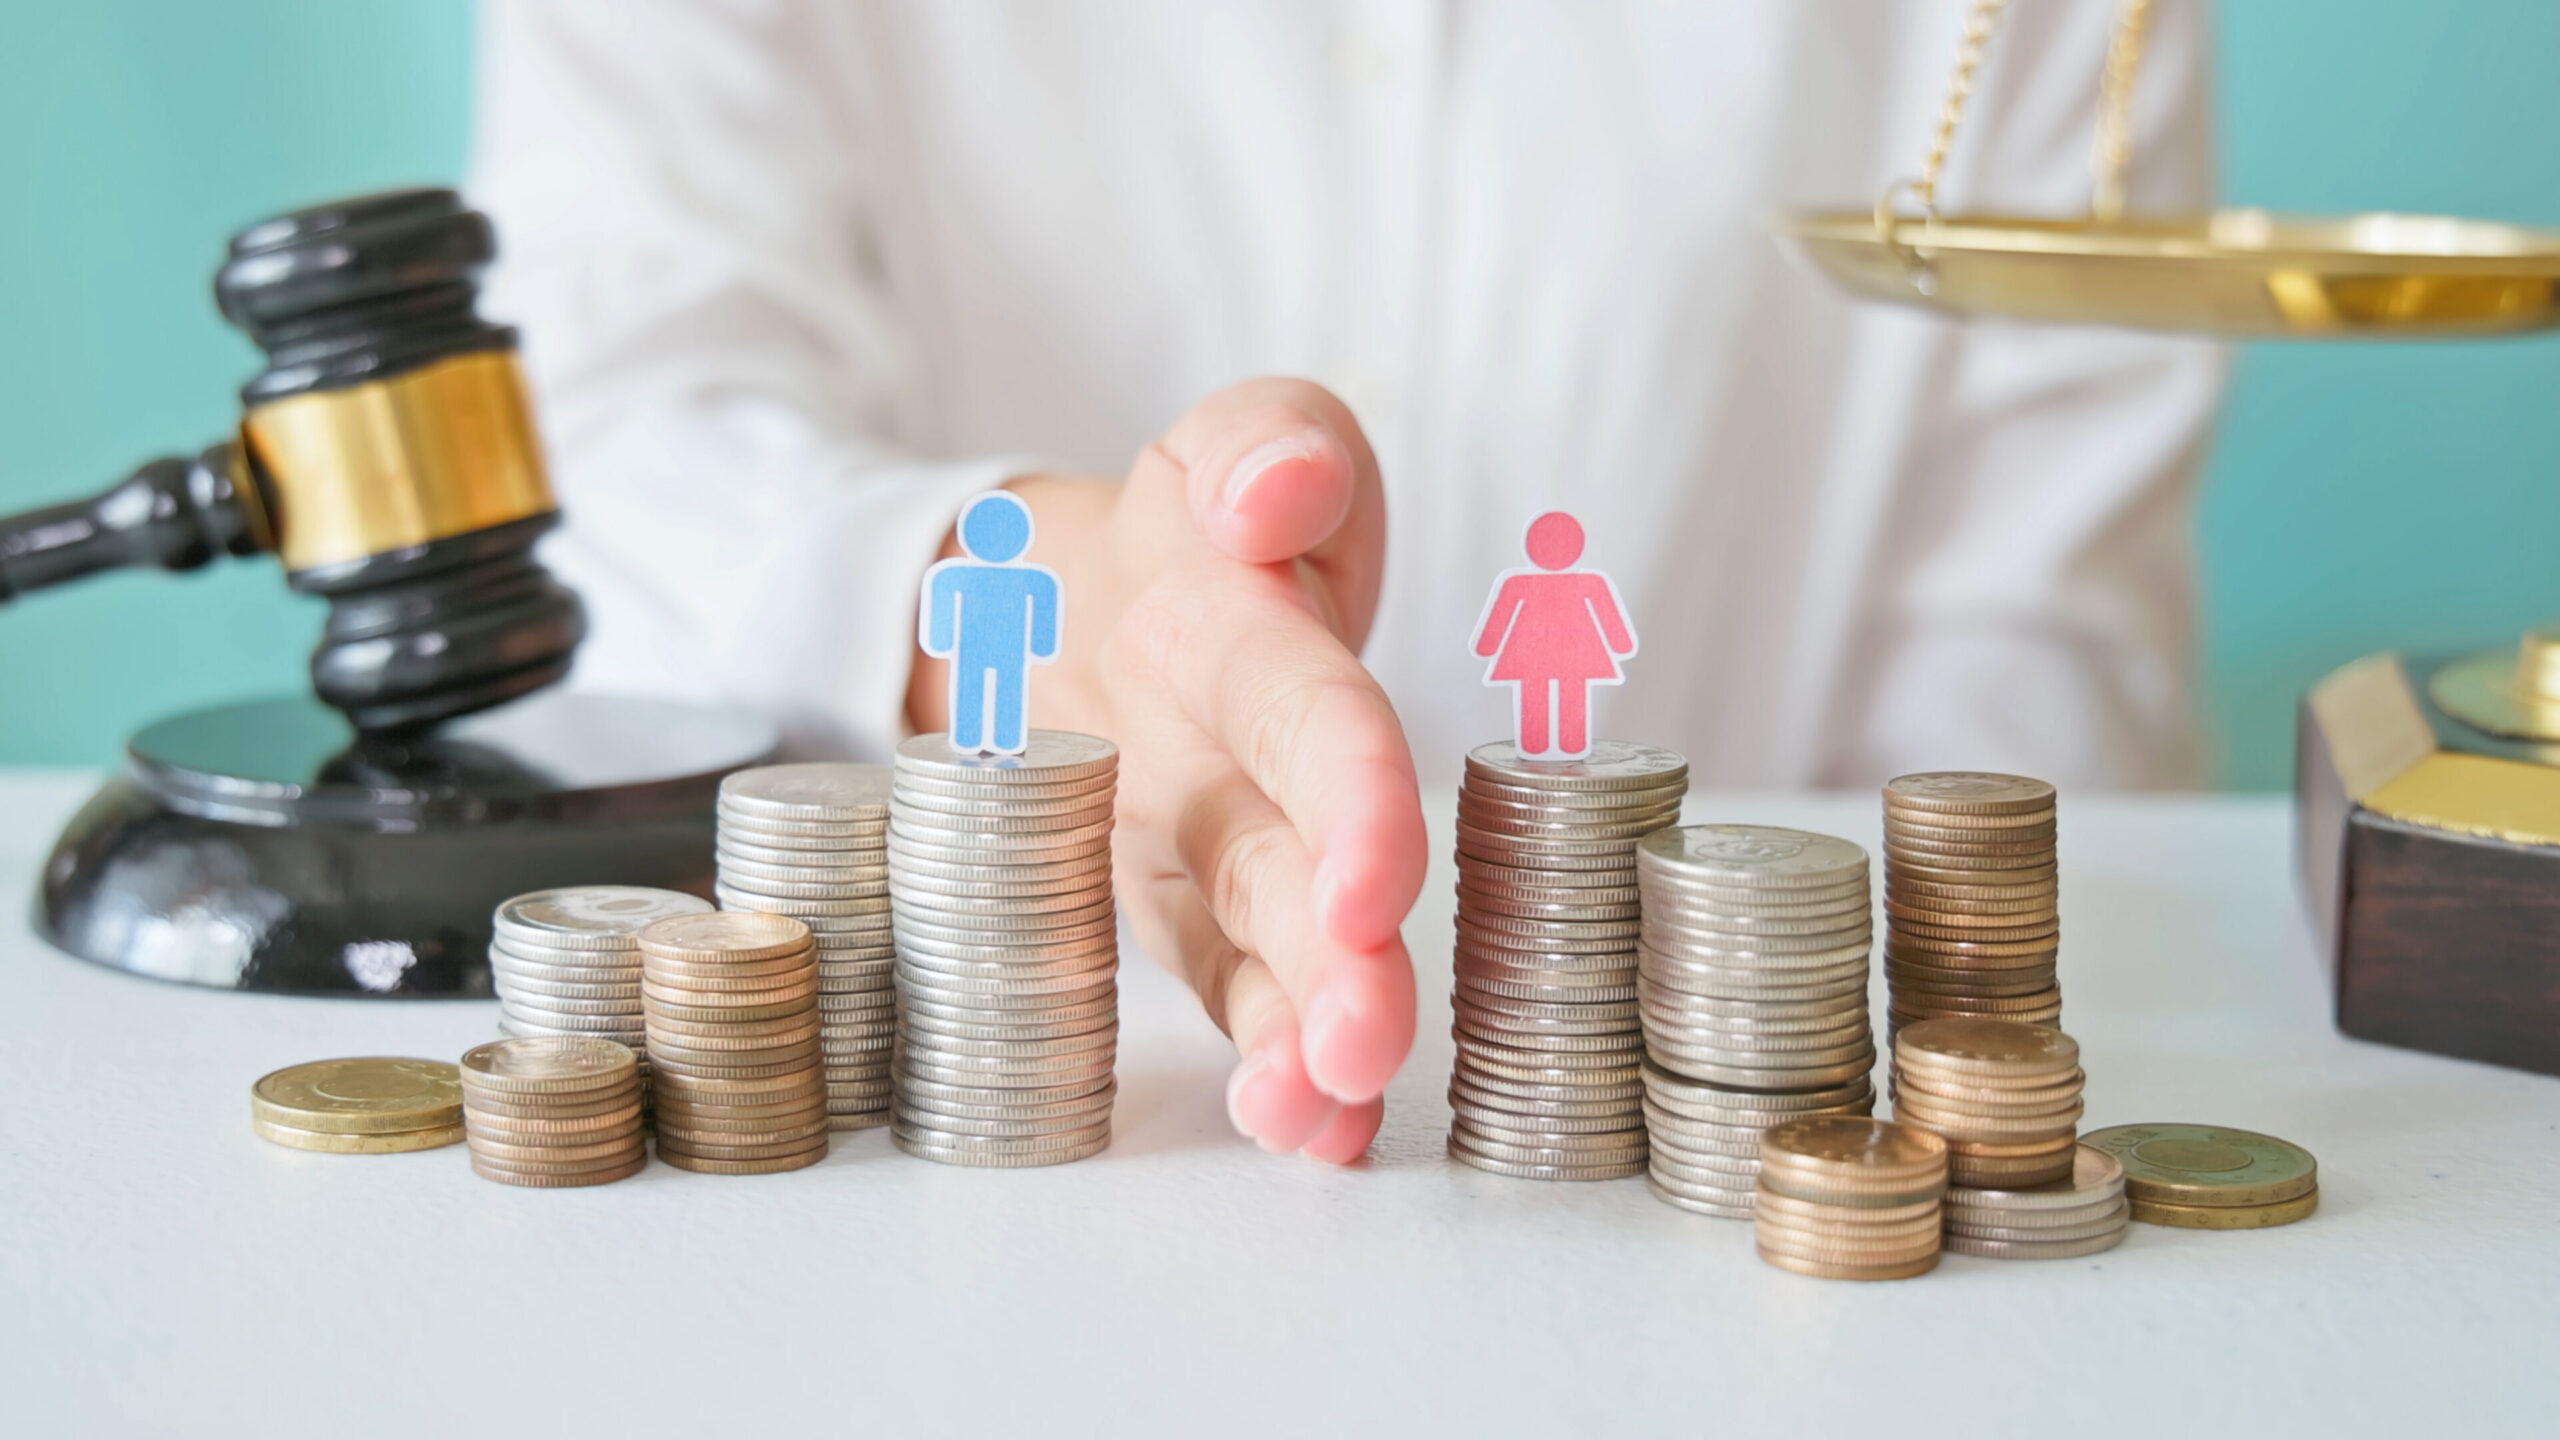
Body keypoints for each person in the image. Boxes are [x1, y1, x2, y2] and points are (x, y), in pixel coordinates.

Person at [472, 0, 2225, 1164]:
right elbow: (602, 437)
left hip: (1685, 1151)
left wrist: (1819, 1056)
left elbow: (2029, 648)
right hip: (977, 1093)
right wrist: (1084, 626)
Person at [1473, 512, 1638, 760]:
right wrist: (1620, 645)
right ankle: (1553, 744)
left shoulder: (1526, 583)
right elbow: (1611, 620)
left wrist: (1487, 646)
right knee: (1552, 694)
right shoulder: (1524, 583)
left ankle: (1548, 744)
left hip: (1544, 655)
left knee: (1550, 693)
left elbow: (1499, 618)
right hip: (1560, 655)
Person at [919, 491, 1060, 756]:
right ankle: (969, 735)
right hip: (974, 648)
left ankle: (1003, 738)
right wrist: (939, 641)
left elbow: (1045, 606)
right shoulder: (956, 573)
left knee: (1007, 691)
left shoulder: (1034, 579)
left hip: (1007, 650)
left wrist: (1042, 646)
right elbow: (940, 593)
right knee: (971, 689)